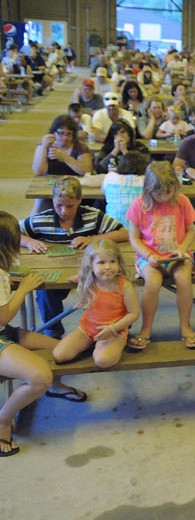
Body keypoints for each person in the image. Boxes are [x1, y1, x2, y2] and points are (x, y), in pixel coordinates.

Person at [0, 212, 88, 456]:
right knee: (40, 376)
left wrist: (13, 282)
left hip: (4, 332)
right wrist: (24, 288)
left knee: (59, 348)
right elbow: (3, 316)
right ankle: (3, 420)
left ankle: (55, 387)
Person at [20, 177, 128, 339]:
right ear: (52, 200)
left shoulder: (93, 216)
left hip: (92, 273)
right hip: (57, 273)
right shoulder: (42, 219)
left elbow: (123, 233)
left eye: (70, 206)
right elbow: (13, 232)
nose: (64, 211)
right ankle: (53, 329)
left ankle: (116, 327)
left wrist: (93, 239)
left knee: (114, 284)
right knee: (44, 292)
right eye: (59, 205)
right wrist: (28, 241)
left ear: (80, 200)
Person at [126, 162, 195, 350]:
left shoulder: (182, 201)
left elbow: (191, 231)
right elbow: (134, 239)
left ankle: (185, 326)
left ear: (175, 188)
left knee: (183, 279)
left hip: (177, 255)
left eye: (168, 192)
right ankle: (146, 329)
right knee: (153, 282)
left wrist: (182, 249)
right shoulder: (139, 205)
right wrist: (149, 255)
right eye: (158, 194)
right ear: (149, 190)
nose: (164, 197)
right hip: (149, 256)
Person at [51, 240, 139, 369]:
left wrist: (112, 328)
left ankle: (116, 343)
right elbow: (79, 277)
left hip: (114, 331)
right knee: (59, 355)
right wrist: (78, 279)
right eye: (101, 262)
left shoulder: (124, 286)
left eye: (112, 261)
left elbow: (134, 313)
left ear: (119, 262)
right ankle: (94, 344)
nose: (108, 266)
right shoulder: (89, 279)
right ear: (90, 265)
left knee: (102, 361)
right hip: (87, 329)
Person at [32, 115, 93, 184]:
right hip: (50, 184)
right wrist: (43, 147)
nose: (65, 138)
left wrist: (65, 157)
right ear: (54, 133)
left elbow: (86, 171)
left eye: (69, 134)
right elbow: (39, 172)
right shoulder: (44, 145)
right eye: (61, 133)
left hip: (74, 185)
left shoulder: (80, 147)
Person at [102, 150, 148, 229]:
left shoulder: (111, 177)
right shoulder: (147, 180)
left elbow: (103, 192)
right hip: (140, 229)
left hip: (112, 228)